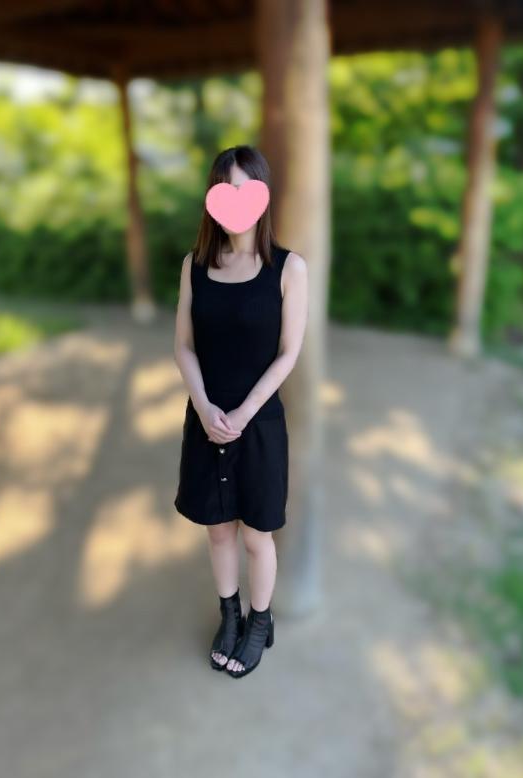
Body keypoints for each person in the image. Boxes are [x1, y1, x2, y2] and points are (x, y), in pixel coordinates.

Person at [173, 145, 308, 678]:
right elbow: (183, 345)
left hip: (259, 423)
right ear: (212, 197)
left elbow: (289, 353)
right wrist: (204, 406)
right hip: (206, 419)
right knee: (218, 529)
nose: (235, 200)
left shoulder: (288, 268)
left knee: (256, 534)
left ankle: (258, 622)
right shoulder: (195, 266)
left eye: (245, 188)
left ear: (263, 196)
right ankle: (228, 616)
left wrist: (245, 411)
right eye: (224, 188)